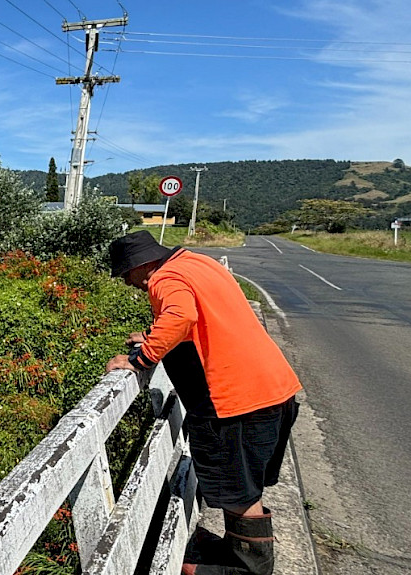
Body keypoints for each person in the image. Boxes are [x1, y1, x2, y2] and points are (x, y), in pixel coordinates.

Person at [103, 231, 300, 575]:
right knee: (245, 488)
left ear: (141, 265)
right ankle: (234, 553)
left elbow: (180, 316)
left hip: (233, 405)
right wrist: (154, 336)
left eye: (124, 274)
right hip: (273, 390)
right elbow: (207, 319)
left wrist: (139, 360)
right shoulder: (197, 263)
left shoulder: (164, 278)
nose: (125, 282)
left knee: (240, 495)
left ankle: (246, 571)